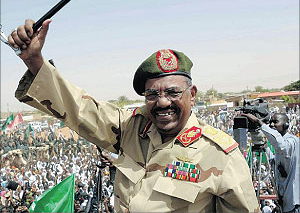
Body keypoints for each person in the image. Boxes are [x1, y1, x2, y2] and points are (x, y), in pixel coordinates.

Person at [7, 19, 259, 212]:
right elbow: (80, 108)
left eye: (173, 92)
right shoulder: (131, 129)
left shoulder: (221, 156)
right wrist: (35, 61)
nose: (162, 102)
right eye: (152, 94)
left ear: (191, 94)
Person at [243, 113, 299, 213]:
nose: (272, 125)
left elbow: (281, 146)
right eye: (270, 122)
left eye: (276, 122)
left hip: (294, 203)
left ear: (286, 125)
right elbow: (274, 163)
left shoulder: (292, 141)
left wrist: (259, 122)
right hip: (284, 202)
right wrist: (262, 144)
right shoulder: (281, 145)